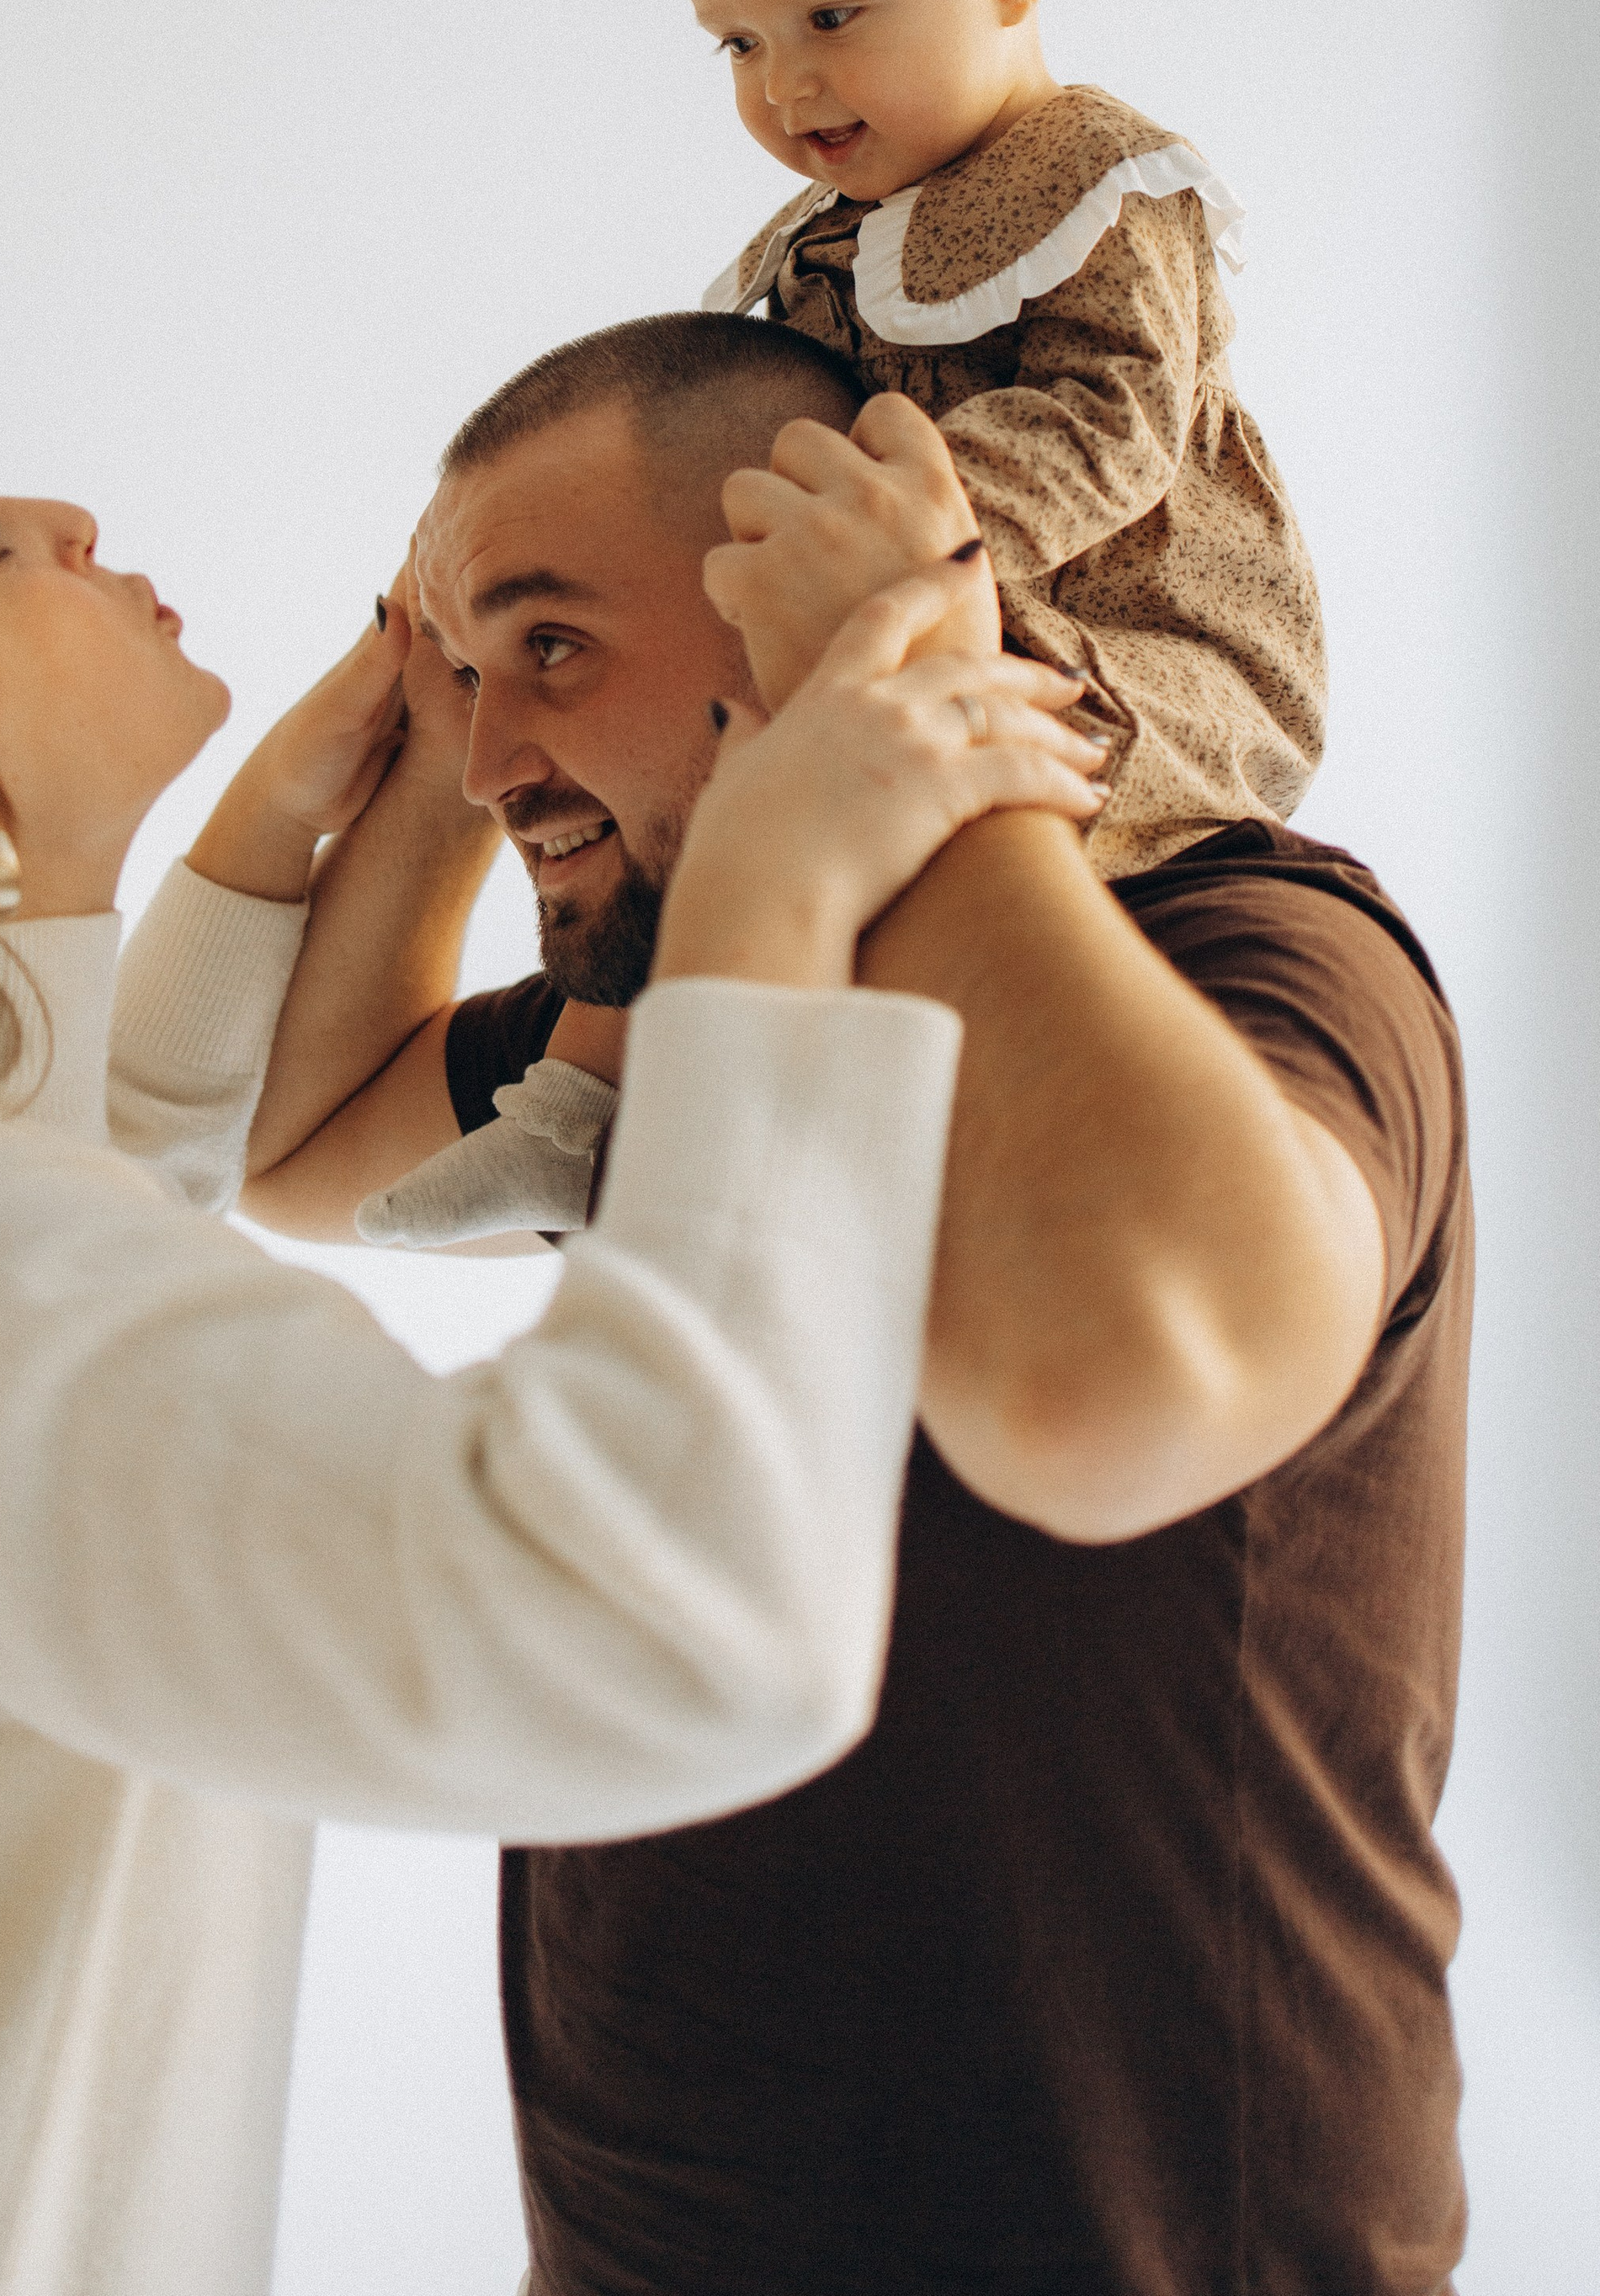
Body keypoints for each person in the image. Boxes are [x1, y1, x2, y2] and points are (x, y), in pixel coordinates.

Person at [0, 362, 1104, 2296]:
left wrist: (268, 835)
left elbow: (92, 1241)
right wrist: (772, 885)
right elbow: (663, 1621)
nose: (58, 517)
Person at [243, 314, 1473, 2296]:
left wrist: (907, 686)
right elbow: (297, 1141)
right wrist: (432, 703)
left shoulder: (1256, 951)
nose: (488, 759)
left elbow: (1115, 1400)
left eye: (552, 644)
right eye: (468, 678)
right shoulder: (715, 996)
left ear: (802, 601)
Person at [670, 0, 1325, 880]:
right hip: (907, 616)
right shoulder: (825, 239)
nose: (785, 85)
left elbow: (1113, 421)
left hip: (1134, 636)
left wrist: (902, 521)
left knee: (948, 737)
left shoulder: (1100, 181)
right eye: (740, 45)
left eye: (830, 18)